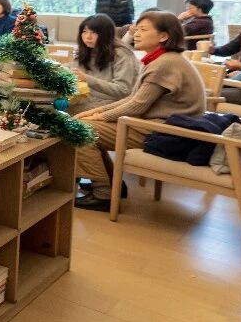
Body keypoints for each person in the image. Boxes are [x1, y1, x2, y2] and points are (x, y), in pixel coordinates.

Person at [73, 11, 206, 210]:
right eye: (137, 29)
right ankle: (112, 184)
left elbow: (136, 106)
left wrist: (100, 115)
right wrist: (95, 113)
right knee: (84, 122)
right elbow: (133, 99)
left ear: (163, 36)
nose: (136, 33)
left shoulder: (164, 64)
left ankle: (104, 194)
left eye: (143, 30)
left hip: (166, 133)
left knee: (79, 130)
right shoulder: (162, 59)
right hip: (162, 127)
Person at [73, 14, 137, 108]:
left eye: (94, 32)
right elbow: (74, 68)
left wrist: (87, 79)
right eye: (84, 31)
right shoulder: (88, 50)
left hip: (115, 104)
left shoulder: (121, 54)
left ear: (106, 34)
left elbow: (123, 90)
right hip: (91, 99)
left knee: (61, 110)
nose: (88, 37)